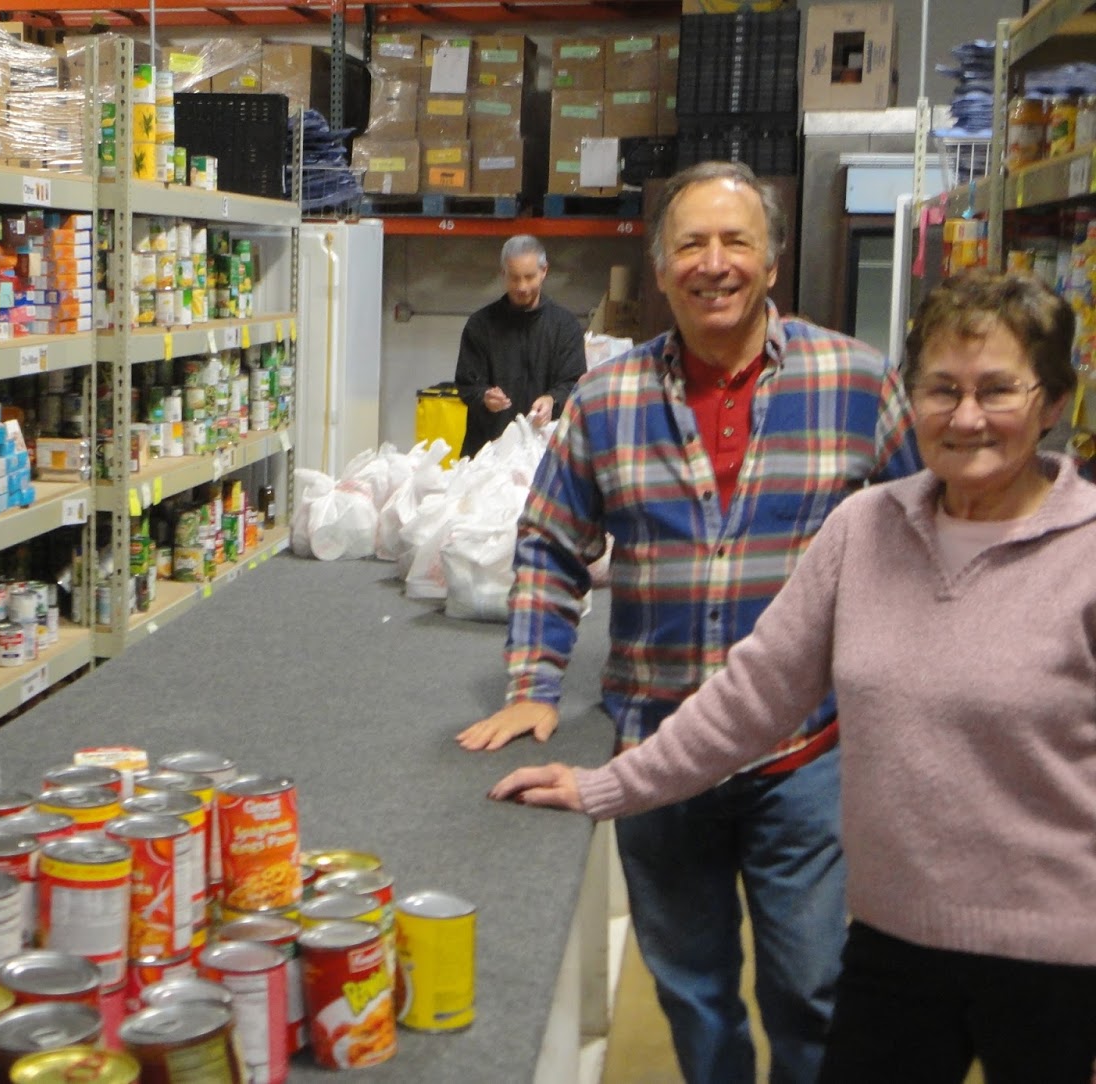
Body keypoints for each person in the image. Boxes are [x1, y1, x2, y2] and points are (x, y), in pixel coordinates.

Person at [490, 268, 1096, 1082]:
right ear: (910, 401)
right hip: (894, 946)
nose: (968, 416)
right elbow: (752, 694)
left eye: (999, 390)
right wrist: (606, 787)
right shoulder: (866, 532)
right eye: (942, 389)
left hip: (1058, 963)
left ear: (1054, 403)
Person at [457, 161, 922, 1084]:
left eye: (736, 241)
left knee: (815, 988)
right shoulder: (608, 400)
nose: (715, 264)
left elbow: (921, 540)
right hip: (658, 751)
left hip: (805, 754)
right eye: (691, 246)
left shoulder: (860, 385)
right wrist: (532, 685)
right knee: (693, 990)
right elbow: (551, 546)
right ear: (662, 270)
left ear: (772, 262)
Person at [453, 234, 586, 459]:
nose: (522, 287)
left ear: (544, 271)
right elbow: (466, 385)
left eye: (529, 277)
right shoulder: (480, 325)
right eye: (514, 278)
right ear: (502, 274)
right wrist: (484, 397)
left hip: (545, 454)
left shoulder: (565, 326)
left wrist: (552, 400)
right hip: (487, 454)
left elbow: (575, 384)